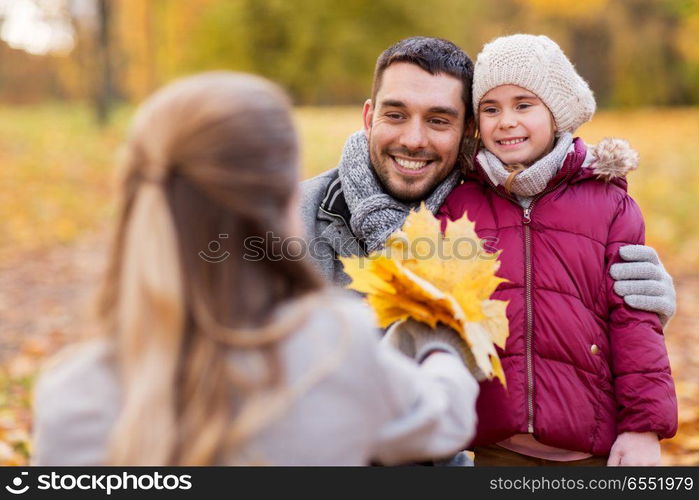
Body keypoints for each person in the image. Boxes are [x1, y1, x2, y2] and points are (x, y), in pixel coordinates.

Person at [31, 72, 481, 466]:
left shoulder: (70, 397)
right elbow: (446, 420)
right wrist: (437, 340)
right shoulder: (334, 348)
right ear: (284, 199)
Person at [301, 36, 676, 324]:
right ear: (369, 119)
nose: (414, 140)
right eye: (396, 115)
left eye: (438, 120)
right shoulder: (293, 215)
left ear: (468, 131)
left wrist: (629, 308)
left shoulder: (491, 219)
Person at [438, 34, 678, 466]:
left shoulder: (608, 204)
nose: (506, 121)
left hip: (588, 445)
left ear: (556, 112)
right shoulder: (461, 204)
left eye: (523, 104)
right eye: (490, 109)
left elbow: (634, 323)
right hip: (497, 445)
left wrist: (643, 428)